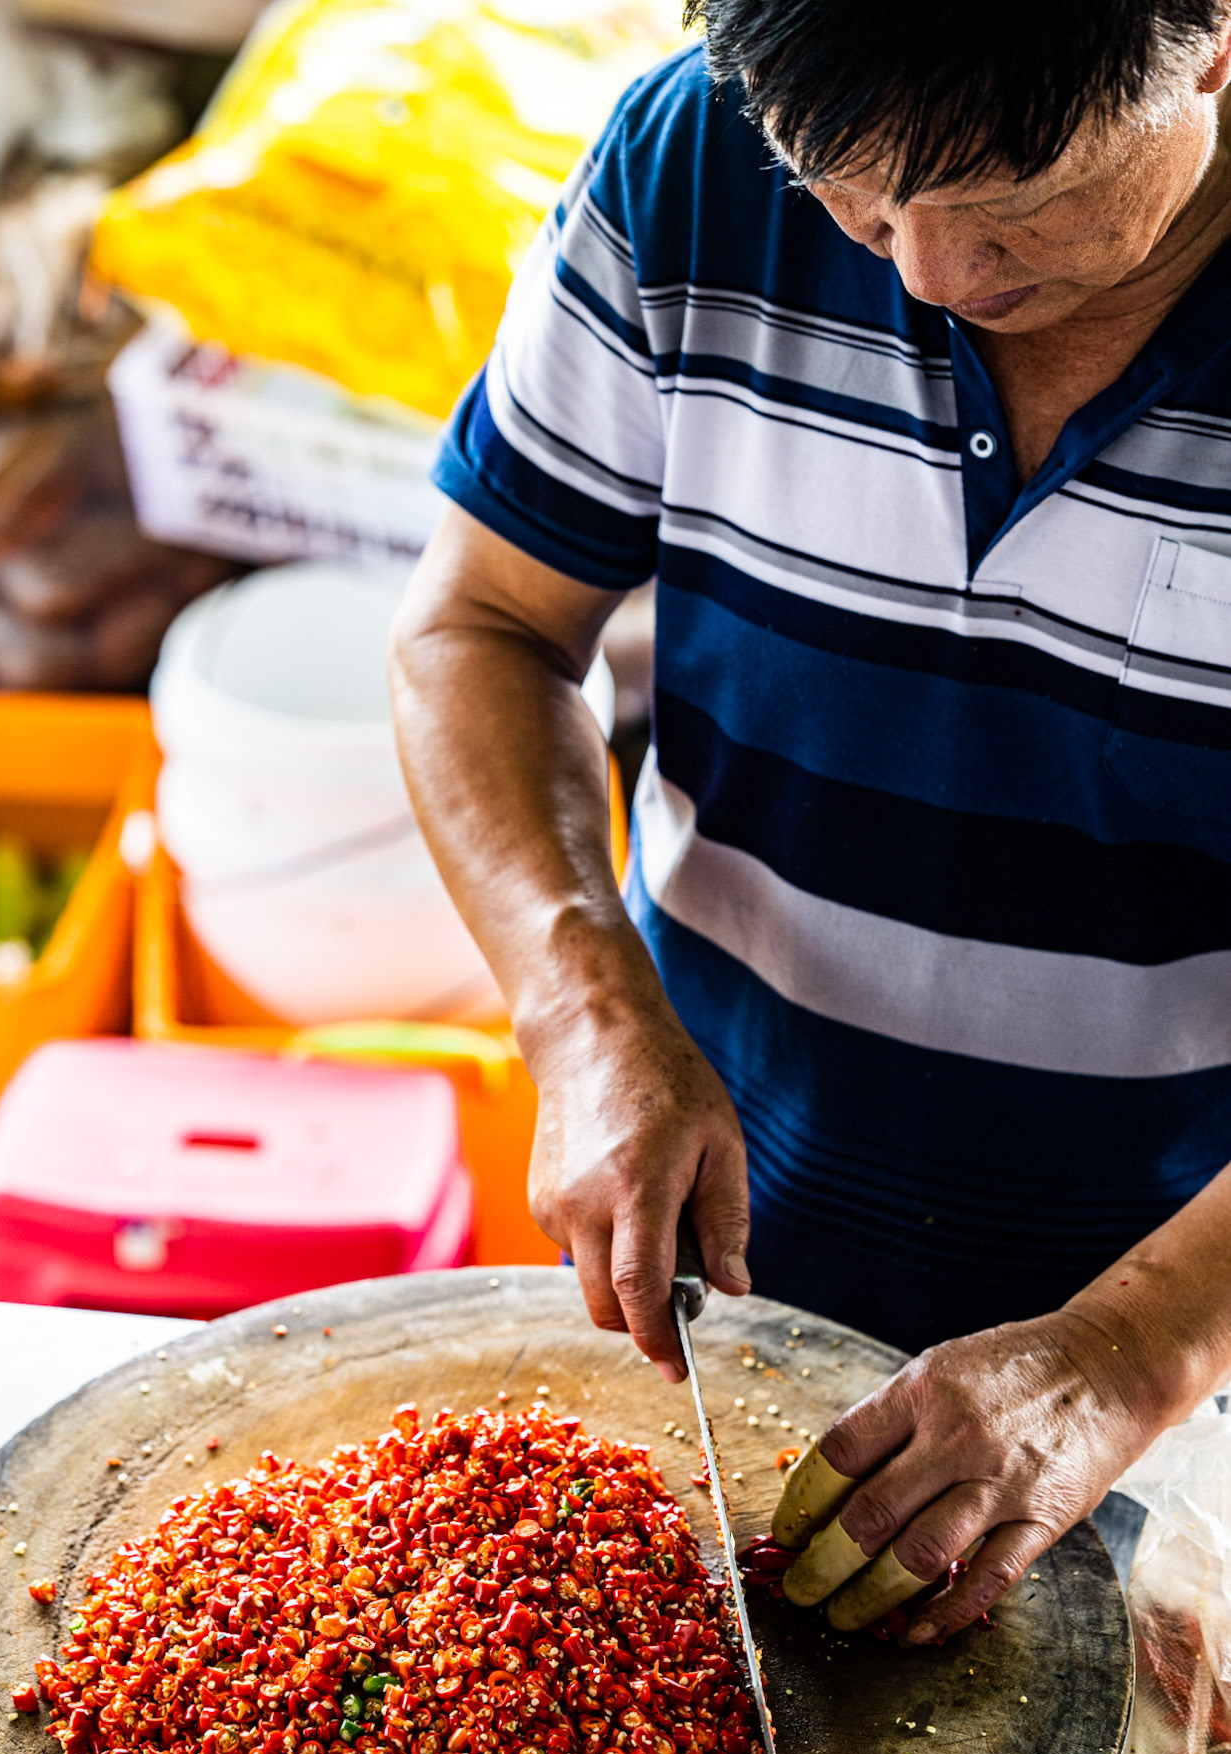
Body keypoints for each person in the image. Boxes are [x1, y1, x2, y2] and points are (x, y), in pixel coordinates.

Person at [389, 0, 1231, 1642]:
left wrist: (1131, 1353)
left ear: (1206, 35)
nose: (925, 274)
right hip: (716, 1235)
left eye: (1009, 198)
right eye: (850, 199)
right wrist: (580, 1010)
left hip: (1183, 1323)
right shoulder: (690, 160)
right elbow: (479, 628)